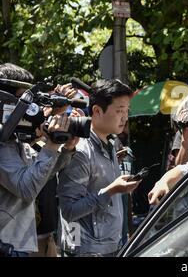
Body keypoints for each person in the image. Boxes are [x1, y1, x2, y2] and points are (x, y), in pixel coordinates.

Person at [0, 63, 78, 257]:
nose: (30, 108)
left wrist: (66, 149)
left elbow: (42, 176)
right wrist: (51, 146)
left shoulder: (13, 138)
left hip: (17, 245)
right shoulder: (2, 142)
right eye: (23, 100)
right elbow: (26, 189)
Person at [58, 79, 140, 257]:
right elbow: (69, 211)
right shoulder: (80, 151)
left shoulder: (110, 144)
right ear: (96, 110)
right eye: (119, 111)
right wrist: (111, 191)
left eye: (127, 111)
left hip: (110, 246)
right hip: (86, 251)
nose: (125, 117)